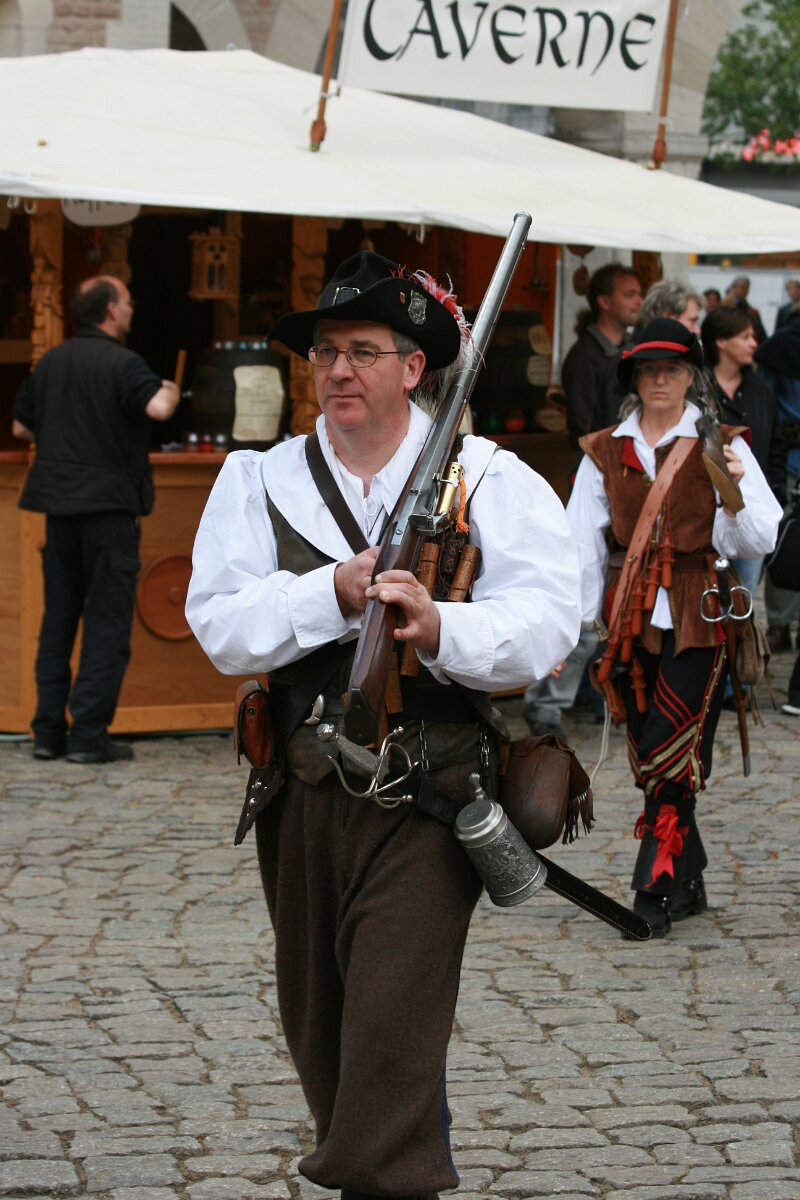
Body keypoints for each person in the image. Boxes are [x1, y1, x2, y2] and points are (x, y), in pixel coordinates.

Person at [185, 250, 580, 1199]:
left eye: (363, 352)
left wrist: (442, 626)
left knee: (391, 1025)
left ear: (413, 368)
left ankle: (383, 1177)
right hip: (300, 793)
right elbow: (218, 625)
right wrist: (332, 590)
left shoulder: (489, 478)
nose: (338, 371)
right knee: (322, 1031)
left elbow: (547, 624)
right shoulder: (258, 478)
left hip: (431, 796)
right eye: (325, 352)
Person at [569, 318, 781, 936]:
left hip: (700, 615)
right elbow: (580, 545)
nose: (661, 379)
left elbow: (759, 537)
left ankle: (653, 889)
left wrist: (734, 491)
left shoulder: (721, 444)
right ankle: (690, 876)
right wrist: (574, 627)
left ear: (692, 377)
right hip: (629, 619)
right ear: (633, 378)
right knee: (648, 751)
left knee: (670, 749)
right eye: (649, 370)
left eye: (673, 369)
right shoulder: (605, 449)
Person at [12, 275, 180, 763]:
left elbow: (21, 427)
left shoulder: (51, 362)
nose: (132, 309)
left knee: (58, 622)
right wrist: (170, 388)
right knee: (106, 625)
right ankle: (87, 736)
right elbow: (159, 407)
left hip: (59, 511)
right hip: (108, 512)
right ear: (110, 309)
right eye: (127, 302)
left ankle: (47, 733)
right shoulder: (123, 363)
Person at [701, 306, 786, 601]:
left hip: (752, 511)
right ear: (721, 341)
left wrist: (775, 495)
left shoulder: (760, 389)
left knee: (744, 597)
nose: (754, 343)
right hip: (710, 516)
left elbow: (776, 447)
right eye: (746, 336)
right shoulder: (700, 389)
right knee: (709, 597)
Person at [561, 261, 642, 457]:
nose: (640, 301)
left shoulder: (635, 349)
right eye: (629, 295)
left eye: (639, 294)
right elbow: (581, 429)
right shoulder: (583, 357)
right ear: (605, 302)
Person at [754, 312, 800, 652]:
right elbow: (766, 403)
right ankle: (781, 624)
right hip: (791, 458)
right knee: (786, 543)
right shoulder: (782, 346)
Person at [724, 275, 767, 344]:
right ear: (733, 288)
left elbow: (761, 333)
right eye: (742, 287)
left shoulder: (752, 311)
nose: (745, 291)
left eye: (747, 288)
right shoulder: (724, 307)